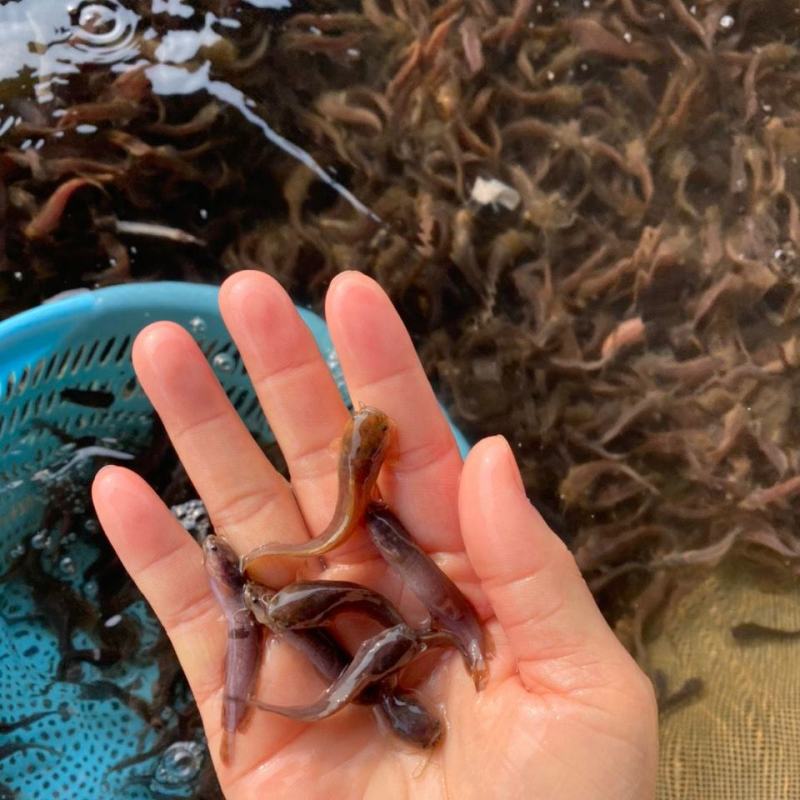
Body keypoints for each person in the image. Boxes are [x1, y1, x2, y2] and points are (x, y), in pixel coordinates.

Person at [91, 270, 658, 800]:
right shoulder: (374, 595)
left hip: (361, 612)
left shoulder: (376, 615)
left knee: (367, 606)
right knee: (368, 601)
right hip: (359, 603)